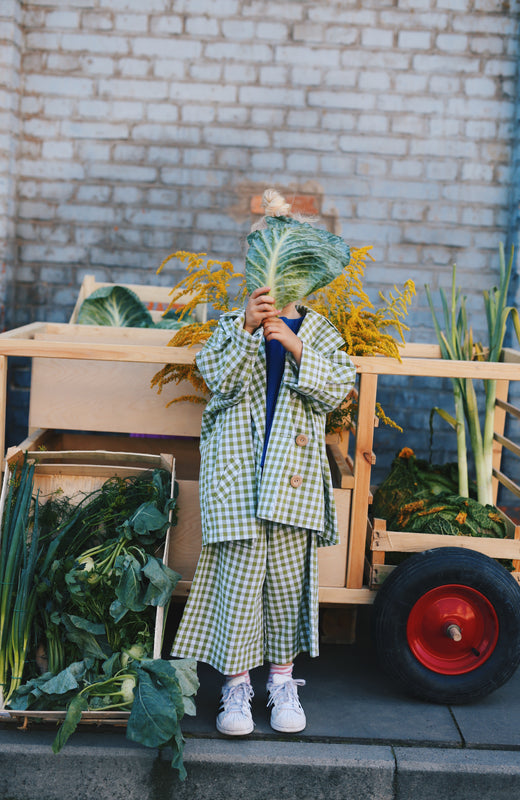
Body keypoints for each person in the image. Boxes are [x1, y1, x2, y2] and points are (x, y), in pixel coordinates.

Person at [171, 189, 357, 736]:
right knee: (238, 582)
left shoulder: (319, 332)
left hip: (291, 486)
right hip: (237, 479)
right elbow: (216, 379)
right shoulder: (234, 325)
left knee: (282, 585)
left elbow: (338, 389)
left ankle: (281, 682)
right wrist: (250, 329)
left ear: (305, 277)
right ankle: (235, 688)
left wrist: (297, 349)